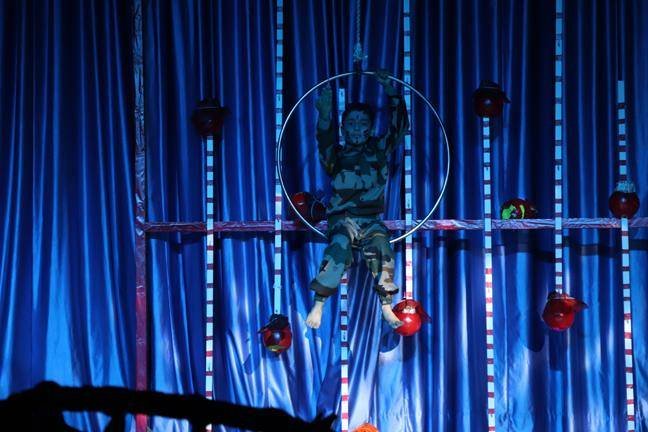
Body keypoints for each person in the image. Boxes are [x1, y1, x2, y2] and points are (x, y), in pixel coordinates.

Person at [305, 70, 409, 329]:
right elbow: (324, 140)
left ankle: (386, 306)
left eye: (362, 123)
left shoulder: (379, 149)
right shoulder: (336, 156)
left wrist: (391, 91)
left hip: (371, 220)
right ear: (343, 128)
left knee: (382, 247)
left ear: (370, 128)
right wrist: (325, 114)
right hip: (343, 219)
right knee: (338, 246)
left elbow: (399, 127)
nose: (356, 128)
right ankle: (319, 303)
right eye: (351, 123)